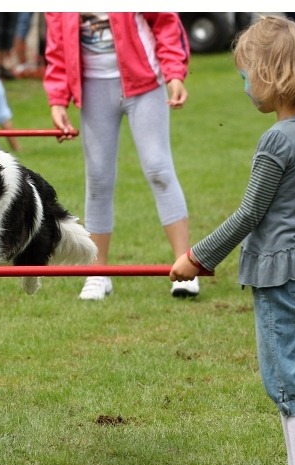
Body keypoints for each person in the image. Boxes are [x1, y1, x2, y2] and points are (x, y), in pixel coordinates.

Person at [170, 15, 295, 465]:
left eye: (246, 73)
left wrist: (197, 259)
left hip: (282, 273)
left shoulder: (276, 141)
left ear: (270, 74)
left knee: (289, 380)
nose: (244, 83)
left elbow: (249, 213)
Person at [44, 13, 196, 300]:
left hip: (145, 84)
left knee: (158, 169)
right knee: (98, 178)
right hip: (93, 88)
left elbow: (165, 23)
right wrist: (57, 99)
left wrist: (174, 73)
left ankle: (184, 268)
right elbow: (57, 48)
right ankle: (97, 273)